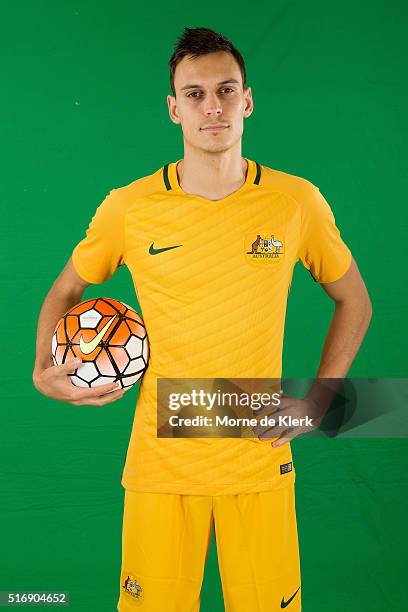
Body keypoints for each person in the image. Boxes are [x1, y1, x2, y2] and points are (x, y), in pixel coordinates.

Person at [33, 26, 372, 612]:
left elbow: (356, 300)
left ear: (247, 101)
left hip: (259, 460)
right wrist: (44, 368)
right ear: (173, 109)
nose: (211, 106)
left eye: (225, 90)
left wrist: (320, 399)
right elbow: (64, 289)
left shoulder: (296, 202)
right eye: (194, 94)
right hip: (160, 468)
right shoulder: (129, 208)